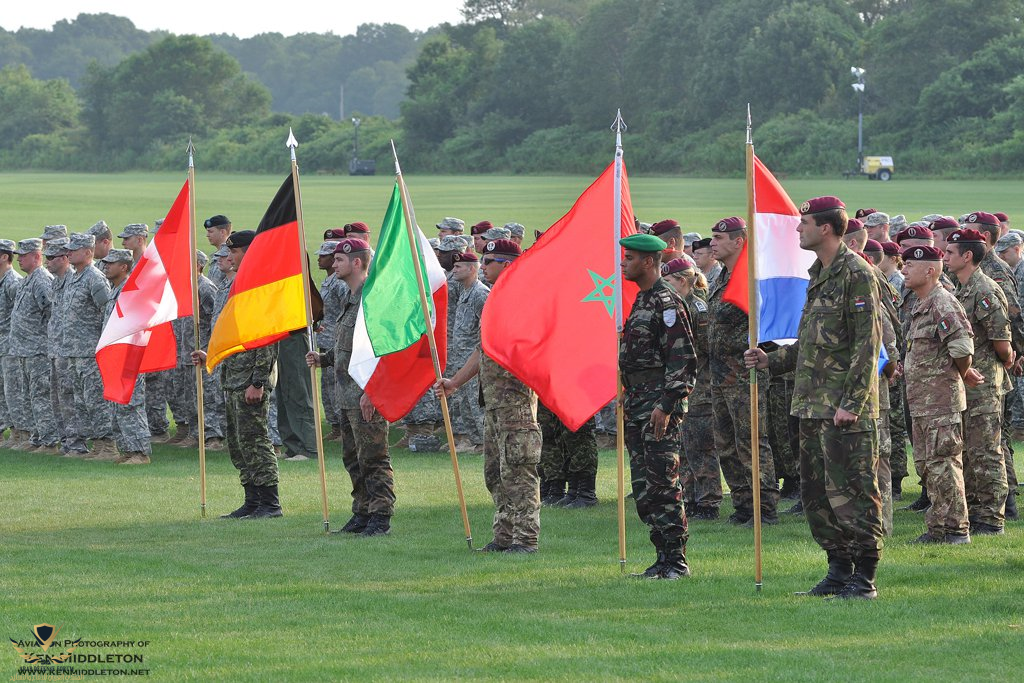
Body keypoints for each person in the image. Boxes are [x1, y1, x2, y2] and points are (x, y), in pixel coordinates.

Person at [745, 196, 883, 600]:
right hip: (811, 406)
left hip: (843, 409)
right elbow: (812, 344)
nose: (797, 228)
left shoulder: (856, 273)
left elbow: (867, 345)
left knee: (854, 491)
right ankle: (838, 570)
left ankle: (865, 577)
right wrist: (770, 360)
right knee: (817, 494)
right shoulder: (818, 274)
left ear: (826, 228)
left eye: (804, 222)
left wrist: (852, 403)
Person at [437, 239, 543, 553]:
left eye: (488, 261)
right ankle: (504, 536)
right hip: (494, 402)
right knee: (495, 474)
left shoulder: (523, 302)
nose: (482, 266)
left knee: (519, 473)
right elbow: (483, 349)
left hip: (516, 402)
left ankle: (525, 539)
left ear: (507, 265)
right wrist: (455, 382)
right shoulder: (496, 300)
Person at [614, 233, 696, 579]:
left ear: (648, 262)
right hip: (638, 401)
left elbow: (683, 360)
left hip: (657, 405)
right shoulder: (643, 299)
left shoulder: (666, 302)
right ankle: (661, 557)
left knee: (663, 482)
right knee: (645, 487)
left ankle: (676, 560)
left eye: (630, 258)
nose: (623, 263)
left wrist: (666, 404)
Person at [307, 238, 395, 536]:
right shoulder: (352, 296)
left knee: (373, 457)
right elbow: (351, 346)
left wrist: (373, 391)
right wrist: (324, 358)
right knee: (353, 457)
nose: (333, 264)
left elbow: (383, 349)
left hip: (365, 395)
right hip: (347, 395)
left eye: (339, 260)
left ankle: (381, 516)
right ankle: (362, 511)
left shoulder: (371, 300)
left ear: (357, 262)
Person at [192, 230, 282, 519]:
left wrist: (258, 381)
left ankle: (270, 503)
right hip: (232, 375)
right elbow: (230, 333)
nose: (229, 256)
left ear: (249, 252)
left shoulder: (257, 287)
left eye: (235, 251)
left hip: (250, 380)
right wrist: (211, 355)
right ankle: (252, 500)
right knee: (238, 442)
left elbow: (265, 339)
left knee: (256, 440)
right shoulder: (232, 285)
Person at [901, 244, 978, 544]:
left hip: (940, 401)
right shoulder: (922, 304)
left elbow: (962, 348)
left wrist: (962, 372)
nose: (904, 270)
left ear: (930, 271)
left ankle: (955, 530)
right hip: (923, 402)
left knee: (944, 465)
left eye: (910, 265)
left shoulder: (942, 302)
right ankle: (938, 528)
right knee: (928, 466)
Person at [708, 216, 779, 525]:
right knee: (726, 445)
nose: (712, 243)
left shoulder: (751, 279)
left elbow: (767, 326)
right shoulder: (721, 278)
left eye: (719, 238)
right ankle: (743, 505)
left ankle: (764, 508)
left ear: (739, 242)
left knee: (751, 442)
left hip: (744, 374)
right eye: (712, 237)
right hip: (719, 375)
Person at [944, 229, 1013, 535]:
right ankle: (974, 510)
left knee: (986, 451)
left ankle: (992, 517)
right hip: (966, 384)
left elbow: (1002, 341)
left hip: (984, 385)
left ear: (967, 255)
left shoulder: (984, 290)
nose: (945, 257)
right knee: (969, 452)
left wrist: (1006, 358)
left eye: (950, 252)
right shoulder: (962, 289)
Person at [662, 255, 721, 519]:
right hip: (682, 388)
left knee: (702, 447)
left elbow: (706, 349)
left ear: (683, 281)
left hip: (700, 387)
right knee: (685, 448)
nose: (665, 285)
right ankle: (690, 497)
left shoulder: (698, 308)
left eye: (669, 280)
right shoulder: (677, 306)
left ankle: (708, 501)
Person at [62, 232, 115, 458]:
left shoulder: (95, 278)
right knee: (82, 401)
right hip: (74, 352)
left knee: (96, 400)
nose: (69, 253)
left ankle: (108, 445)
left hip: (90, 352)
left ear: (87, 252)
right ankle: (96, 445)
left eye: (74, 250)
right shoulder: (74, 277)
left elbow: (107, 311)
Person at [99, 249, 152, 464]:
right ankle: (128, 450)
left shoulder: (131, 291)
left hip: (129, 355)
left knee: (131, 404)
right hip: (115, 356)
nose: (106, 266)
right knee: (117, 404)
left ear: (124, 267)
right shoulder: (116, 290)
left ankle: (140, 452)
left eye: (111, 263)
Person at [8, 239, 58, 453]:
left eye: (23, 255)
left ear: (37, 256)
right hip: (24, 350)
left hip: (38, 351)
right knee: (29, 396)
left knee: (41, 397)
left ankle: (49, 441)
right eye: (18, 255)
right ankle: (37, 437)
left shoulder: (42, 280)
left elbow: (52, 314)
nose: (19, 259)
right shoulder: (29, 280)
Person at [446, 251, 488, 455]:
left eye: (458, 267)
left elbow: (487, 330)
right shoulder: (465, 291)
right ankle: (476, 442)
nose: (454, 270)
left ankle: (485, 442)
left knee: (476, 402)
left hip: (473, 360)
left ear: (472, 269)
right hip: (460, 359)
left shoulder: (480, 294)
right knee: (464, 402)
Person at [43, 238, 75, 454]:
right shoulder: (56, 282)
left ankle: (77, 444)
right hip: (56, 350)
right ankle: (66, 443)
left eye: (51, 257)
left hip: (71, 350)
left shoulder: (74, 280)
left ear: (64, 258)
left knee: (70, 398)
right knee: (57, 399)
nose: (47, 262)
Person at [315, 240, 344, 441]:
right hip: (325, 341)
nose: (319, 259)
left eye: (323, 256)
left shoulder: (339, 284)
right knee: (327, 386)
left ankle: (342, 427)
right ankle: (335, 426)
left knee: (336, 385)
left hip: (336, 341)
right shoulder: (328, 281)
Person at [0, 239, 24, 447]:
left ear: (4, 257)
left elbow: (23, 315)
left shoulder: (14, 282)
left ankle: (17, 433)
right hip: (2, 344)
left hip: (10, 346)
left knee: (12, 391)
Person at [203, 215, 232, 289]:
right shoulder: (219, 255)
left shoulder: (229, 255)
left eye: (210, 232)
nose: (207, 235)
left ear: (222, 232)